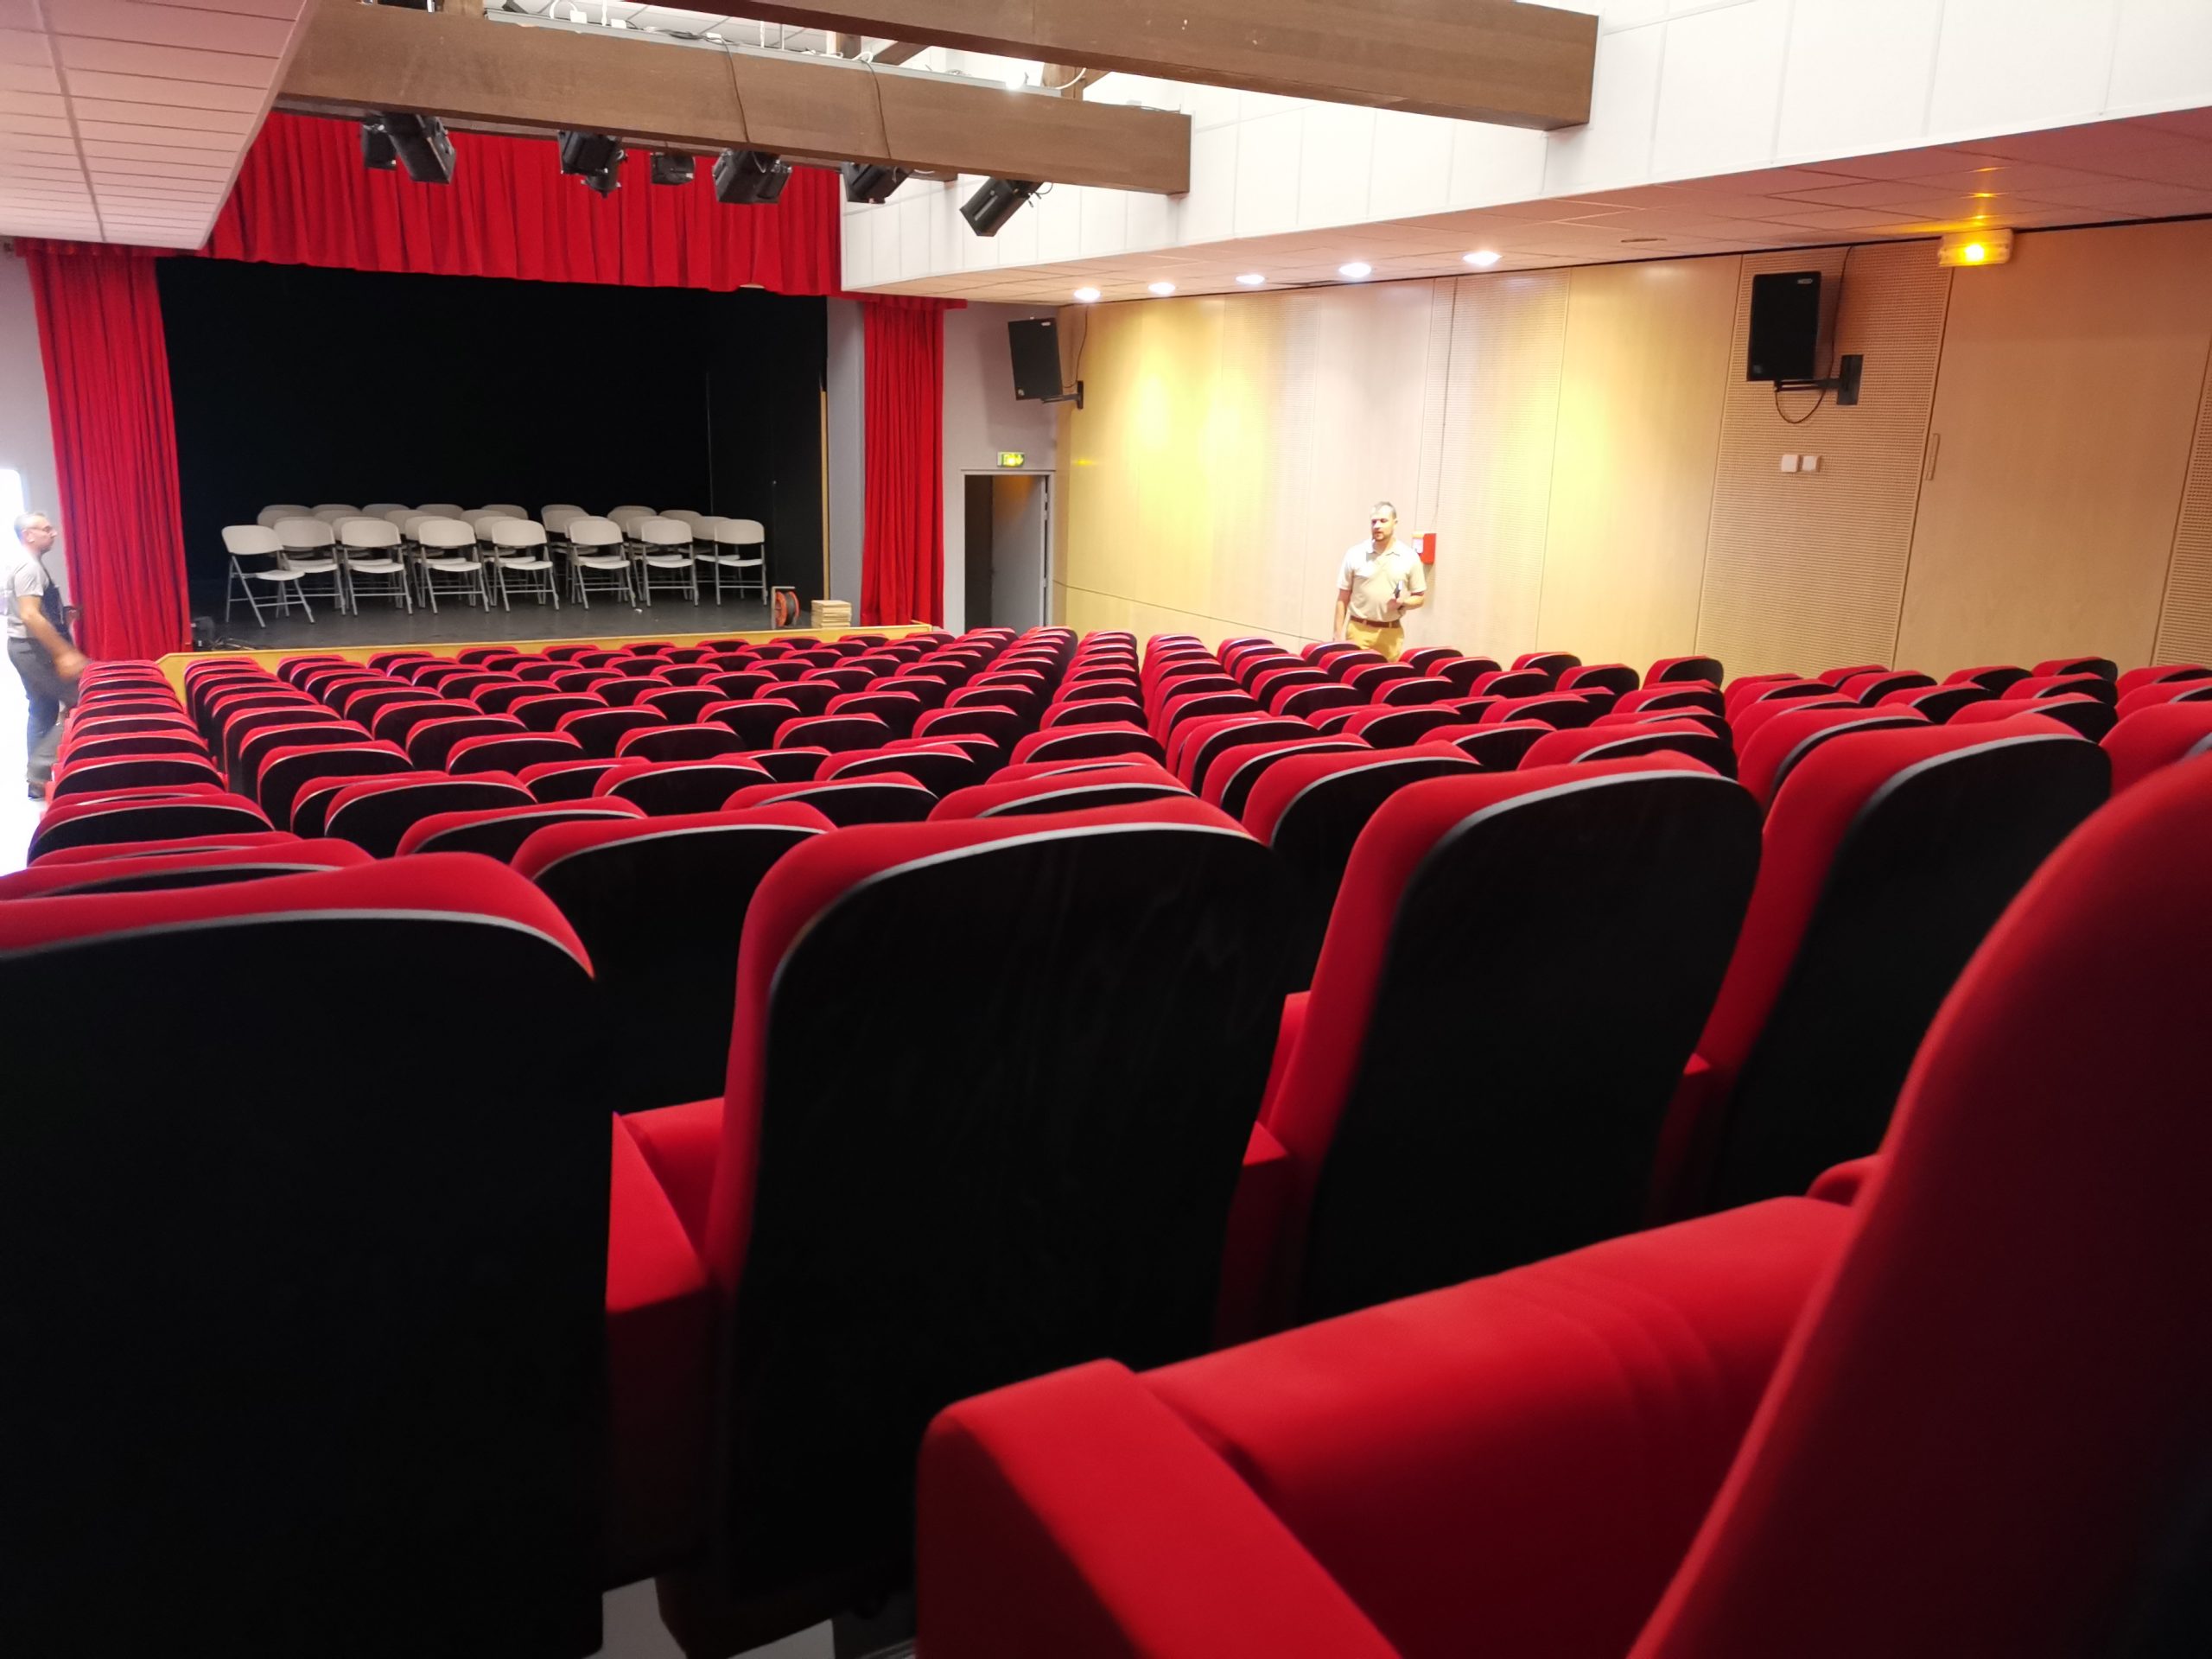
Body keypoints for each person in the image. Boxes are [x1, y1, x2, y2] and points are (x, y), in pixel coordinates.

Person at [7, 510, 85, 798]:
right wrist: (64, 652)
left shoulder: (22, 564)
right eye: (46, 529)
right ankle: (40, 772)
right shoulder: (29, 567)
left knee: (42, 709)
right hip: (33, 649)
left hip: (23, 647)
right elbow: (29, 614)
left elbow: (21, 610)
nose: (53, 533)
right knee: (81, 700)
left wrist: (62, 618)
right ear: (28, 535)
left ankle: (37, 781)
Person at [1332, 500, 1426, 662]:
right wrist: (1337, 634)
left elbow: (1420, 597)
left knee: (1385, 680)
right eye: (1374, 522)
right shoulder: (1355, 553)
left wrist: (1404, 603)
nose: (1377, 526)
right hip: (1358, 630)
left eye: (1383, 521)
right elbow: (1343, 598)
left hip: (1391, 633)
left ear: (1394, 523)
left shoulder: (1409, 556)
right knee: (1355, 678)